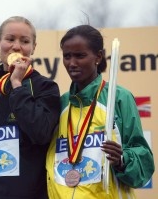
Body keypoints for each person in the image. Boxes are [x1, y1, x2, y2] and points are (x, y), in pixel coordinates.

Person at [46, 24, 154, 199]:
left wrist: (122, 159)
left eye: (80, 56)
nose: (72, 63)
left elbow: (144, 163)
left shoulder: (119, 97)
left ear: (98, 56)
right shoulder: (61, 103)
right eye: (67, 56)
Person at [0, 16, 61, 199]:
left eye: (25, 41)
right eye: (10, 39)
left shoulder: (45, 87)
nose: (17, 46)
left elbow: (41, 132)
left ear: (33, 48)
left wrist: (17, 84)